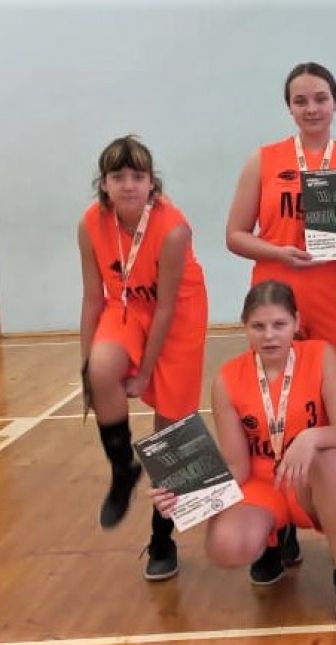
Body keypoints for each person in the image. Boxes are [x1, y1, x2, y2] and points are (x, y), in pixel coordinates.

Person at [151, 281, 336, 628]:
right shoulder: (227, 379)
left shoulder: (321, 356)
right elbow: (237, 466)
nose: (269, 335)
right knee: (225, 546)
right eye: (258, 326)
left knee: (331, 459)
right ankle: (273, 539)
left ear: (296, 322)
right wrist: (186, 493)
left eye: (279, 324)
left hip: (311, 479)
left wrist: (311, 437)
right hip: (263, 484)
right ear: (245, 326)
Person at [225, 62, 336, 569]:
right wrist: (279, 251)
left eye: (320, 98)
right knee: (274, 403)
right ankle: (276, 523)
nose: (312, 108)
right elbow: (234, 235)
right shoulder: (263, 160)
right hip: (276, 295)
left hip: (334, 294)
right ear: (289, 106)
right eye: (301, 100)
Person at [78, 134, 208, 580]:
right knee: (101, 369)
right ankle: (123, 469)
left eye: (138, 176)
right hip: (126, 307)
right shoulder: (90, 223)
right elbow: (92, 297)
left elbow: (167, 308)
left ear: (152, 183)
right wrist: (87, 368)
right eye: (118, 176)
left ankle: (162, 536)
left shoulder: (173, 228)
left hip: (178, 314)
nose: (128, 184)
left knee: (171, 432)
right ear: (104, 183)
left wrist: (146, 373)